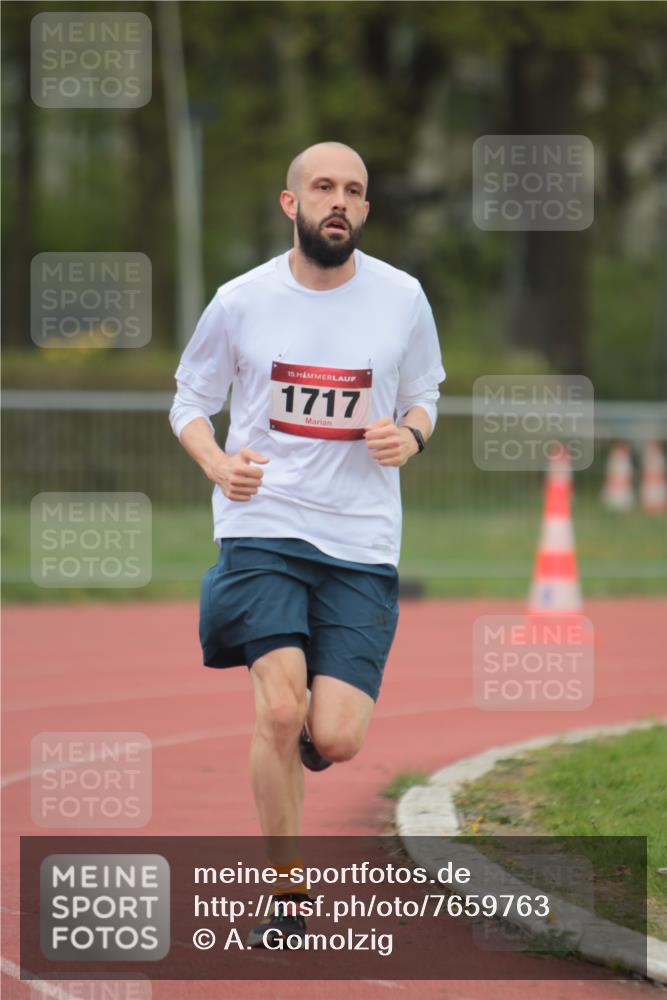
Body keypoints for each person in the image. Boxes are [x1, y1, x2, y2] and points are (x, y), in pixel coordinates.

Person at [169, 141, 445, 947]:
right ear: (290, 203)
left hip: (360, 538)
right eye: (323, 187)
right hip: (263, 525)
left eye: (353, 190)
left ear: (364, 210)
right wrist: (218, 464)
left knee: (335, 737)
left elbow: (425, 394)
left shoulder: (401, 297)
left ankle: (299, 741)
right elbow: (188, 401)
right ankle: (286, 895)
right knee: (280, 707)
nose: (338, 201)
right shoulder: (241, 300)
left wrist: (410, 437)